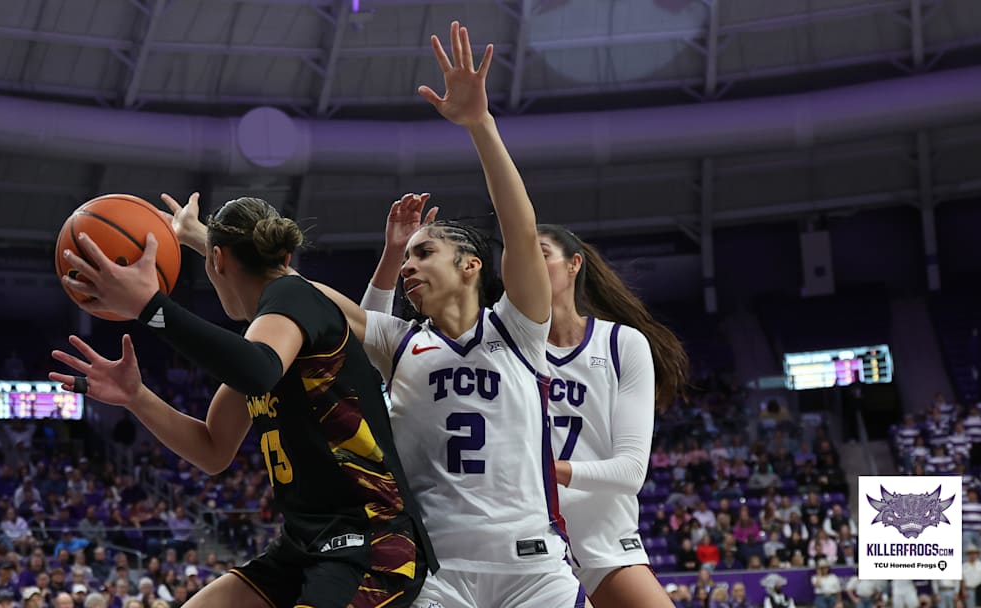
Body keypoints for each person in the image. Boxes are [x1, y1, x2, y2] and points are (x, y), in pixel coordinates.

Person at [51, 172, 433, 604]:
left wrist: (152, 308)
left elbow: (257, 370)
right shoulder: (266, 339)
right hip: (304, 546)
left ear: (217, 261)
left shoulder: (292, 295)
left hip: (371, 544)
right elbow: (213, 449)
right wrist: (137, 396)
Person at [313, 20, 587, 608]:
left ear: (470, 266)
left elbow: (518, 228)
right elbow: (303, 291)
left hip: (533, 568)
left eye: (423, 252)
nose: (408, 267)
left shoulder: (518, 327)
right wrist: (211, 240)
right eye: (404, 259)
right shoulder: (401, 341)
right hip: (436, 569)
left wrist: (480, 125)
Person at [362, 203, 687, 608]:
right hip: (510, 530)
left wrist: (542, 470)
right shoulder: (500, 335)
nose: (529, 260)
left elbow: (631, 470)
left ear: (574, 266)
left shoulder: (615, 343)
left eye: (543, 253)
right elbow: (373, 346)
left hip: (591, 533)